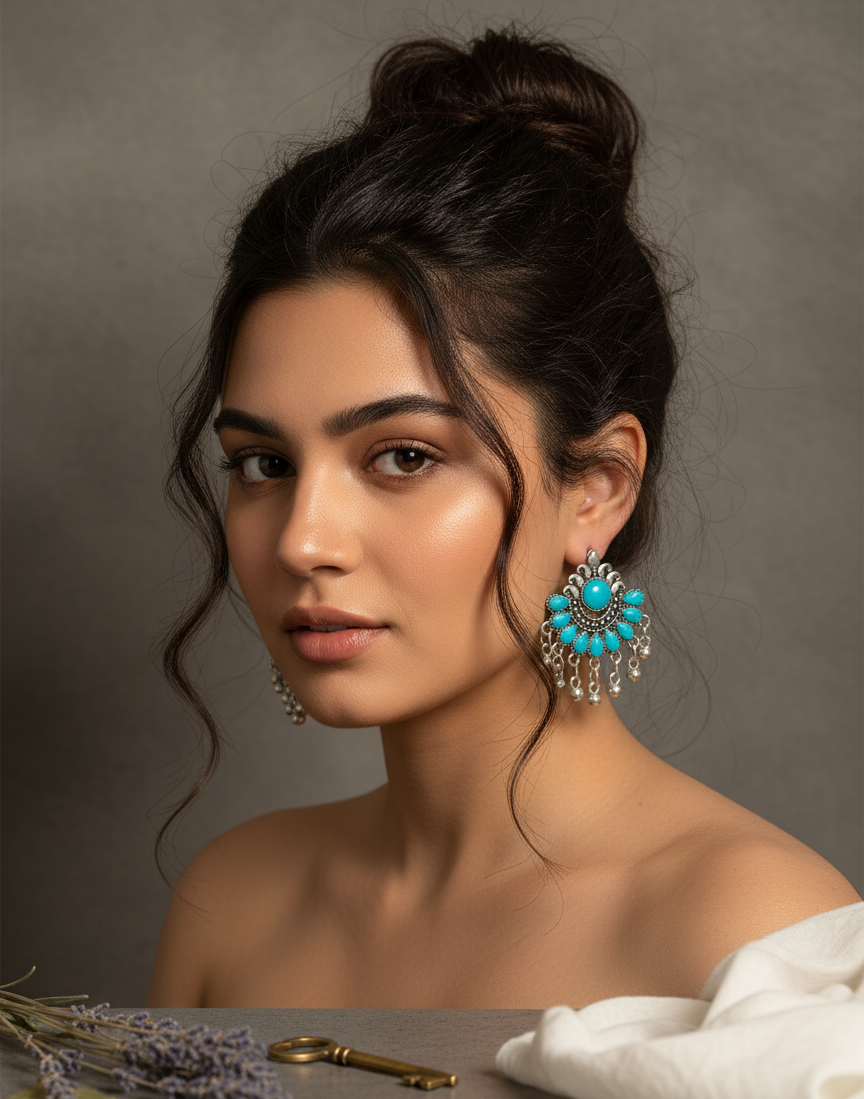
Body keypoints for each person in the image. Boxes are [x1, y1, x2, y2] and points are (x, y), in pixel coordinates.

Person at [146, 26, 859, 1009]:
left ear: (599, 486)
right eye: (263, 463)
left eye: (403, 455)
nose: (302, 539)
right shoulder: (233, 900)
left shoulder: (757, 942)